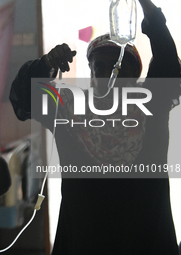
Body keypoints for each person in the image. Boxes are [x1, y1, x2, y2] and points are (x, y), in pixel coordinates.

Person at [9, 0, 181, 254]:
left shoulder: (151, 106)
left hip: (147, 240)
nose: (106, 75)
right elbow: (23, 97)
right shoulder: (69, 110)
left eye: (117, 66)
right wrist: (46, 64)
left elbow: (169, 64)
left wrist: (147, 7)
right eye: (98, 67)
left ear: (135, 74)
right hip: (85, 240)